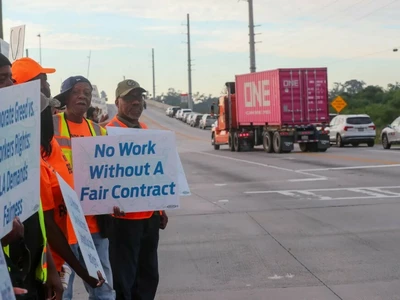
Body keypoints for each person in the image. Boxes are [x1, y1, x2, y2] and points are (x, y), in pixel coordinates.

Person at [11, 58, 106, 292]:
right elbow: (46, 220)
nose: (46, 87)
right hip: (36, 260)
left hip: (68, 241)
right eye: (40, 82)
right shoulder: (23, 147)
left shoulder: (47, 142)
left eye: (46, 82)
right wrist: (78, 270)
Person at [0, 54, 63, 299]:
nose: (10, 87)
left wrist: (51, 271)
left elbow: (33, 211)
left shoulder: (18, 140)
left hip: (27, 267)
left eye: (11, 79)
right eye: (2, 79)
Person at [52, 76, 114, 300]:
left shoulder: (100, 132)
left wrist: (114, 201)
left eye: (87, 92)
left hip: (94, 225)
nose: (83, 96)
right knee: (62, 292)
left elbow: (109, 175)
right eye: (77, 91)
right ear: (65, 98)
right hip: (62, 226)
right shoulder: (50, 127)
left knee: (103, 290)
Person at [106, 79, 168, 300]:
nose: (136, 102)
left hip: (148, 219)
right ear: (117, 102)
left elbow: (153, 174)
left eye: (139, 98)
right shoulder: (107, 133)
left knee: (148, 276)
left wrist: (161, 209)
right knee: (124, 280)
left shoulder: (145, 130)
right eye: (129, 98)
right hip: (123, 220)